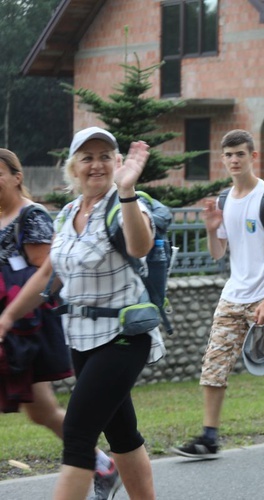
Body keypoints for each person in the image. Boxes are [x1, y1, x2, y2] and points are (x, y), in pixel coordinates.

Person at [0, 127, 165, 499]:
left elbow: (139, 246)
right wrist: (8, 318)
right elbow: (48, 274)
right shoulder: (68, 214)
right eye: (87, 157)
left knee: (77, 435)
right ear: (73, 166)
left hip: (124, 336)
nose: (96, 165)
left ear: (116, 162)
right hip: (82, 339)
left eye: (104, 156)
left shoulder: (126, 205)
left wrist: (125, 190)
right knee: (122, 434)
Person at [171, 129, 264, 458]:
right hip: (234, 295)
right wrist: (211, 229)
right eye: (228, 155)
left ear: (252, 156)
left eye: (240, 154)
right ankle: (209, 438)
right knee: (213, 365)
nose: (233, 160)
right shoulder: (225, 200)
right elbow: (218, 254)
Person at [0, 148, 121, 499]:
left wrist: (10, 313)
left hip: (25, 329)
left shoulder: (31, 216)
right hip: (8, 326)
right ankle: (101, 463)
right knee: (42, 411)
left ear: (16, 176)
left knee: (44, 411)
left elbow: (48, 275)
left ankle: (97, 461)